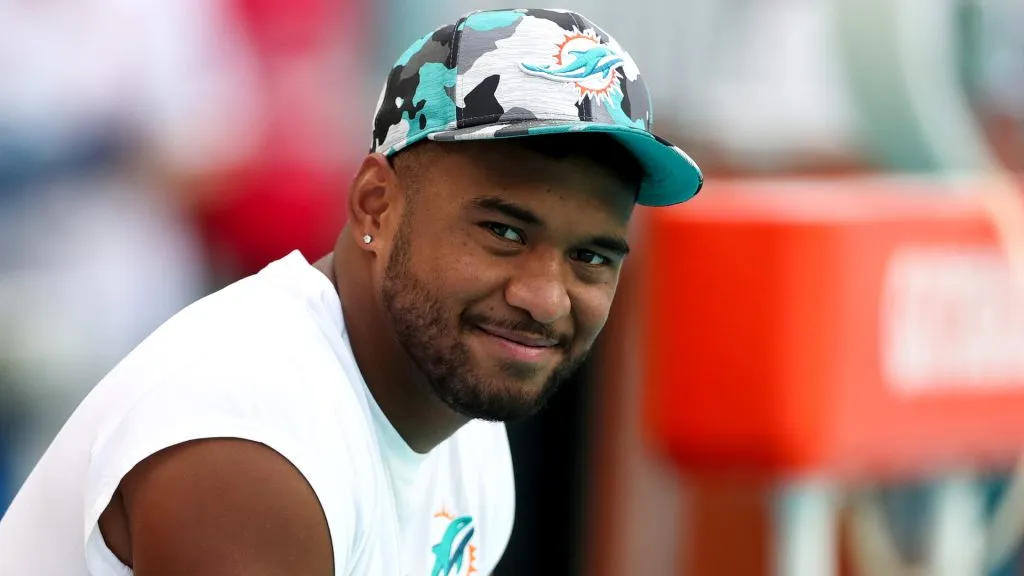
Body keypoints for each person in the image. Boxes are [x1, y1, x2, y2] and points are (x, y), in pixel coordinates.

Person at [0, 8, 702, 575]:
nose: (545, 298)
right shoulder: (250, 433)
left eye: (589, 257)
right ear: (374, 206)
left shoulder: (465, 424)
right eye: (504, 233)